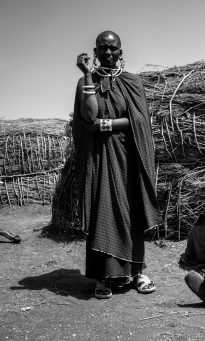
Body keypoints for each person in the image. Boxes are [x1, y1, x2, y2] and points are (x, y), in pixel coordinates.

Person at [73, 31, 160, 299]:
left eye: (113, 48)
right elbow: (88, 115)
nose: (108, 53)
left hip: (127, 159)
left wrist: (104, 124)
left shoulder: (132, 83)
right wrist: (88, 75)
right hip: (98, 159)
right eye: (103, 48)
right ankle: (103, 278)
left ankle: (137, 273)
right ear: (95, 51)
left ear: (121, 52)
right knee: (103, 212)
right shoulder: (85, 82)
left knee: (130, 211)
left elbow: (140, 122)